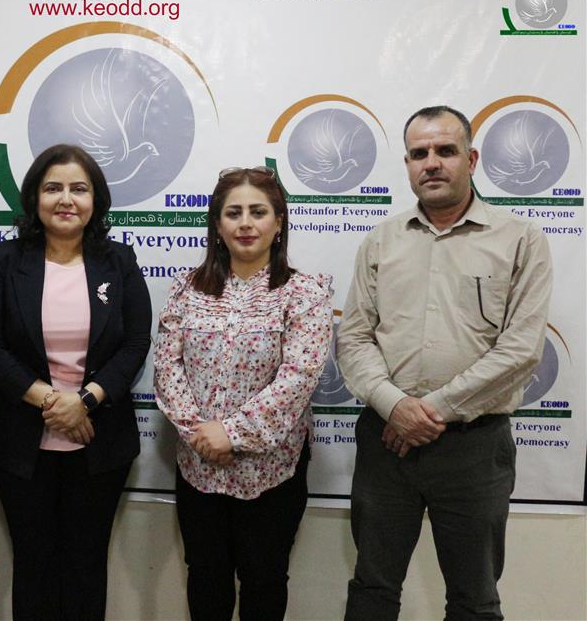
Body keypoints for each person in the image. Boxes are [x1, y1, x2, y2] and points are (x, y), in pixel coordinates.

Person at [337, 106, 553, 621]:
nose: (431, 163)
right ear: (408, 164)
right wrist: (395, 406)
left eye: (445, 150)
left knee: (474, 599)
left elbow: (521, 350)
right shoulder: (381, 241)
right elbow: (354, 338)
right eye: (419, 153)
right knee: (372, 589)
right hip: (387, 444)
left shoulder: (521, 239)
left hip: (474, 449)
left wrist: (427, 411)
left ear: (471, 159)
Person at [0, 144, 152, 621]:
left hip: (100, 441)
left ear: (96, 200)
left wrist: (85, 401)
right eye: (53, 188)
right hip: (20, 443)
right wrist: (54, 401)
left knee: (86, 565)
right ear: (35, 198)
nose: (66, 199)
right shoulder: (6, 259)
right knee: (33, 564)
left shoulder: (118, 261)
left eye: (79, 189)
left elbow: (136, 344)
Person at [153, 167, 332, 621]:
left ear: (278, 223)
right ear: (217, 225)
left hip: (272, 473)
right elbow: (167, 366)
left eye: (258, 212)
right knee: (205, 578)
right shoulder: (186, 289)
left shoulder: (304, 293)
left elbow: (299, 376)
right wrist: (200, 434)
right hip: (198, 467)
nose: (246, 223)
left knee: (264, 581)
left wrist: (232, 433)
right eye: (233, 213)